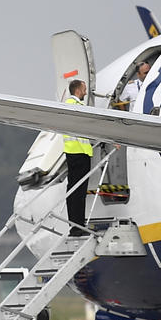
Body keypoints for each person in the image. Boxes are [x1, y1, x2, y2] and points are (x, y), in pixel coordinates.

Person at [62, 80, 92, 237]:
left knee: (73, 189)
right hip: (80, 153)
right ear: (79, 90)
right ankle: (78, 225)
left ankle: (75, 224)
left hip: (73, 153)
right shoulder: (77, 107)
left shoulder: (67, 105)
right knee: (78, 191)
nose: (86, 91)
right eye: (85, 88)